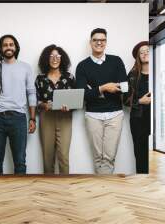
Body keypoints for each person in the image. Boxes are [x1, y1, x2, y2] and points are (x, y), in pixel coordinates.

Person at [0, 34, 37, 175]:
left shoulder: (25, 68)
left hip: (18, 118)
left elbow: (31, 93)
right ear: (1, 48)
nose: (8, 47)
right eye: (5, 45)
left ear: (16, 47)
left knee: (20, 161)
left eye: (11, 44)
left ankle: (20, 194)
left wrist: (32, 118)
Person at [75, 28, 127, 174]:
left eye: (102, 40)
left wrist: (94, 90)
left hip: (115, 114)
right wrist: (104, 88)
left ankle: (105, 188)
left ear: (106, 42)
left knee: (109, 157)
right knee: (98, 157)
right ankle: (102, 189)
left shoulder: (116, 61)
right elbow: (82, 94)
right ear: (90, 42)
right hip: (93, 115)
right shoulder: (82, 66)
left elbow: (123, 87)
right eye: (96, 40)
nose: (99, 42)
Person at [35, 44, 75, 174]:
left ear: (62, 58)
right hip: (46, 117)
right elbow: (35, 101)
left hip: (65, 118)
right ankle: (49, 189)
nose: (54, 59)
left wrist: (69, 106)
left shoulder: (69, 77)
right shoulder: (40, 79)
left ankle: (65, 190)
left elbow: (77, 99)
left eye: (57, 56)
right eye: (51, 56)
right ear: (46, 59)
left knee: (64, 156)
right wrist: (43, 105)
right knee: (47, 157)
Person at [124, 41, 151, 174]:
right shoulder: (132, 75)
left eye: (148, 50)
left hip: (155, 120)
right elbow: (124, 99)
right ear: (138, 56)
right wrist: (140, 101)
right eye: (142, 52)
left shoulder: (160, 71)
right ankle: (143, 183)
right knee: (140, 154)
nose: (145, 53)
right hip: (138, 120)